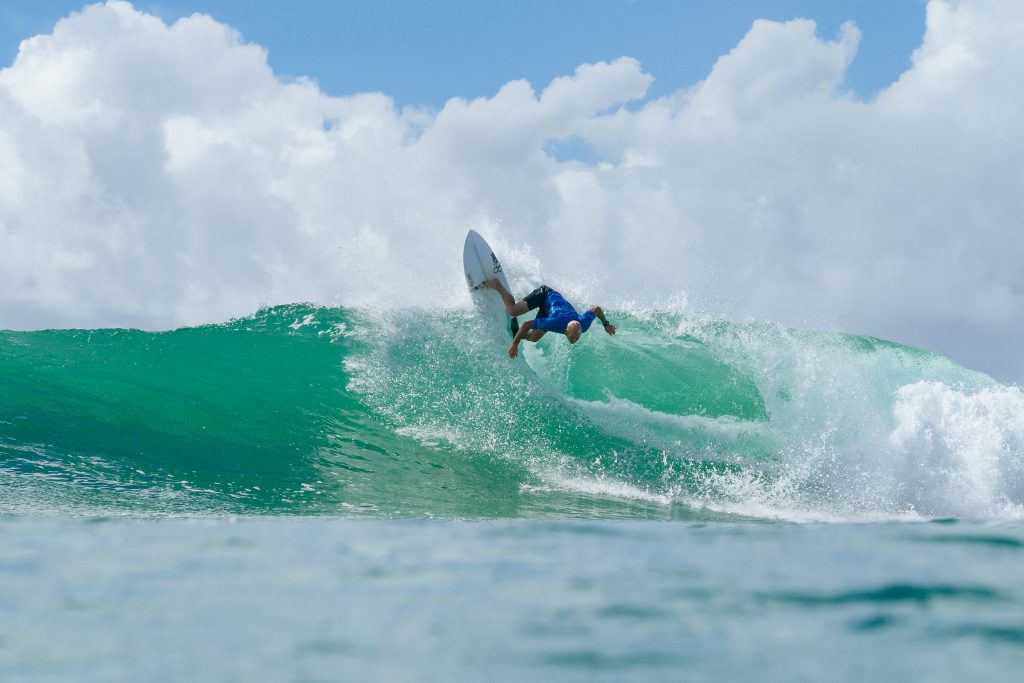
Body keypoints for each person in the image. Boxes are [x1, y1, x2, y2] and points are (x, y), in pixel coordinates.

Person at [483, 280, 616, 358]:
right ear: (566, 331)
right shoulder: (554, 323)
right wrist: (514, 345)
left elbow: (596, 309)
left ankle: (516, 332)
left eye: (576, 338)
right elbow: (527, 324)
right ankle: (497, 284)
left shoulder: (583, 325)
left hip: (551, 308)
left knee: (534, 337)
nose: (574, 341)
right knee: (513, 310)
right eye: (572, 337)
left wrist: (606, 324)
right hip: (545, 295)